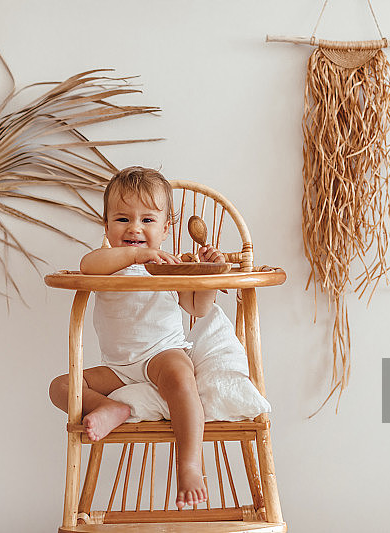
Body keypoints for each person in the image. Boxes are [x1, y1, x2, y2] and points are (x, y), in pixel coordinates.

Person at [49, 166, 224, 510]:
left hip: (162, 354)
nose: (134, 228)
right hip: (118, 368)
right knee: (60, 387)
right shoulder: (107, 263)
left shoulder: (169, 265)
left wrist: (208, 276)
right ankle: (110, 407)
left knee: (180, 378)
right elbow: (88, 264)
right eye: (122, 219)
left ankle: (189, 465)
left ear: (166, 227)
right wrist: (136, 255)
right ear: (106, 226)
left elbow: (196, 307)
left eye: (147, 220)